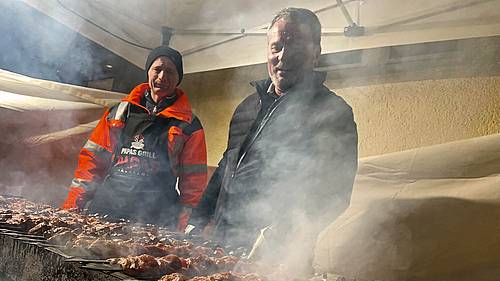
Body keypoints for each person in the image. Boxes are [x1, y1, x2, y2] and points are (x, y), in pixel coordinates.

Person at [188, 8, 358, 266]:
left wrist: (276, 235)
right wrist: (197, 221)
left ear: (316, 53)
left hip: (279, 261)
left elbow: (334, 193)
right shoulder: (247, 105)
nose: (284, 57)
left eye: (296, 47)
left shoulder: (332, 112)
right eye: (276, 47)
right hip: (223, 245)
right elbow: (227, 165)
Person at [62, 46, 207, 231]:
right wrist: (72, 206)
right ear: (148, 72)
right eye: (157, 69)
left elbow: (193, 181)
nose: (162, 77)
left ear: (179, 78)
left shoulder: (189, 124)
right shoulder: (120, 111)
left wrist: (182, 225)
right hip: (107, 210)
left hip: (156, 218)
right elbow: (92, 162)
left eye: (170, 72)